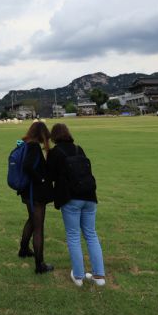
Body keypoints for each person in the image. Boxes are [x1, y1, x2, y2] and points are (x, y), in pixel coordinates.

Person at [47, 123, 105, 287]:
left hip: (70, 198)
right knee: (91, 234)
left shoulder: (55, 152)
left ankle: (78, 276)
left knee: (73, 236)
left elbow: (49, 175)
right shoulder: (79, 149)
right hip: (89, 196)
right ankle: (99, 276)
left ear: (54, 136)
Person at [17, 121, 54, 274]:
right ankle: (40, 265)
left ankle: (24, 249)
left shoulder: (26, 143)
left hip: (27, 191)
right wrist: (41, 179)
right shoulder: (33, 146)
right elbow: (27, 166)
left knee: (32, 221)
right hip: (35, 193)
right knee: (39, 227)